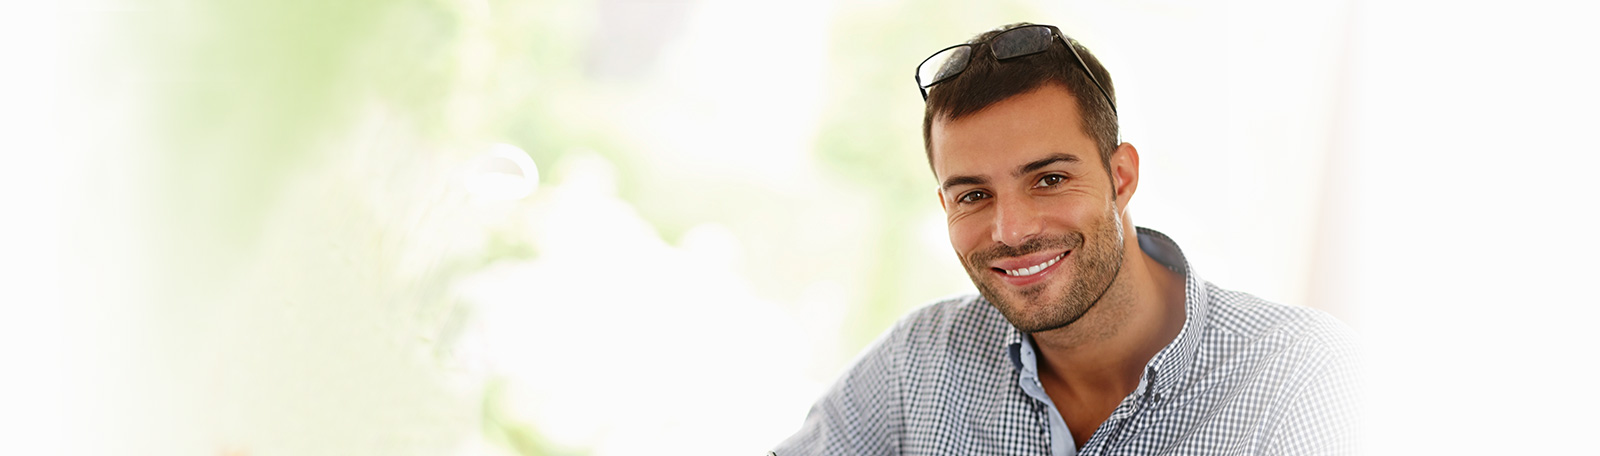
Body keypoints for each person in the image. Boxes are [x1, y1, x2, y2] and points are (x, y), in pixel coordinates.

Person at [771, 23, 1360, 455]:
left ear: (1120, 176)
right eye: (973, 195)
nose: (1012, 231)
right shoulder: (919, 360)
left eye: (1049, 179)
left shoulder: (1301, 378)